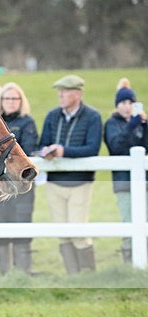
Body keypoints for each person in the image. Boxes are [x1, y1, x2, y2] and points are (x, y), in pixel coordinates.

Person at [38, 74, 102, 274]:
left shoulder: (93, 117)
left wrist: (64, 151)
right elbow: (42, 144)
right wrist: (46, 152)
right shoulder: (52, 116)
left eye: (65, 91)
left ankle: (88, 274)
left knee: (78, 232)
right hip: (54, 183)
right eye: (60, 91)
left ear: (78, 93)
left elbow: (92, 148)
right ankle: (73, 275)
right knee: (62, 232)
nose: (61, 95)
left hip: (80, 183)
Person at [0, 82, 39, 274]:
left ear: (21, 101)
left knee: (22, 222)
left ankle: (23, 272)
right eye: (7, 98)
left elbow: (27, 149)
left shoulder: (27, 122)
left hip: (22, 184)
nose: (11, 102)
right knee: (0, 223)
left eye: (15, 98)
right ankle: (5, 272)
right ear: (1, 100)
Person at [104, 82, 148, 263]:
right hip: (124, 183)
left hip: (144, 181)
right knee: (128, 220)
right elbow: (116, 146)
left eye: (130, 102)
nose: (127, 106)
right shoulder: (112, 124)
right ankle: (130, 261)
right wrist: (131, 127)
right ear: (117, 105)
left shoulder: (141, 124)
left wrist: (145, 127)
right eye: (123, 102)